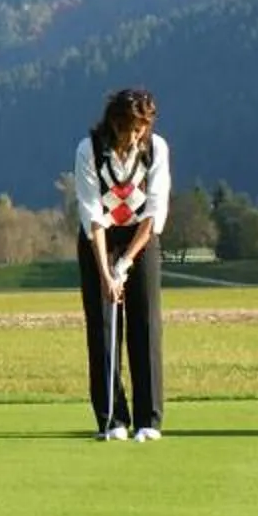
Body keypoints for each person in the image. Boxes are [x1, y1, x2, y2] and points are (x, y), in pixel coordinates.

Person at [72, 87, 170, 441]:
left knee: (145, 324)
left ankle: (149, 419)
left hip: (139, 239)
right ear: (114, 123)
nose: (134, 136)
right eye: (128, 128)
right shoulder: (89, 150)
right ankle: (112, 419)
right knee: (102, 326)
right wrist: (105, 272)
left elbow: (154, 212)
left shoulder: (157, 149)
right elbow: (92, 215)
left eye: (140, 128)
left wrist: (126, 263)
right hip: (100, 238)